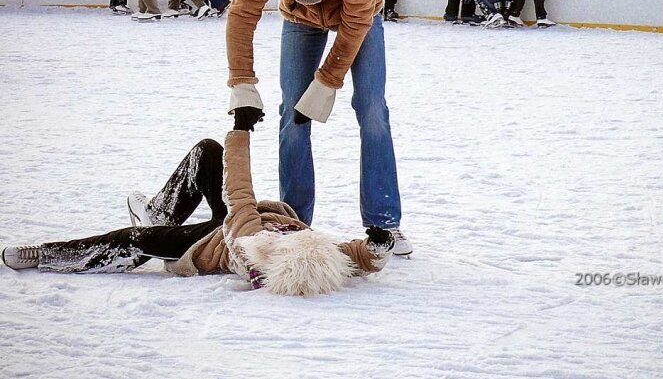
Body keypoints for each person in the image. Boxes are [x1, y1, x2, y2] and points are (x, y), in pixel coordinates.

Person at [1, 128, 396, 296]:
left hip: (207, 243)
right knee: (208, 152)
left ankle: (48, 255)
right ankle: (161, 209)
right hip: (230, 222)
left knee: (134, 241)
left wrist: (240, 129)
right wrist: (377, 246)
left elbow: (239, 190)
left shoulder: (250, 241)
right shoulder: (311, 250)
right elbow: (355, 256)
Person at [225, 0, 412, 256]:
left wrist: (327, 81)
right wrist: (241, 80)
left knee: (372, 110)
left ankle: (384, 222)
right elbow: (243, 11)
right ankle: (294, 219)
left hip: (362, 18)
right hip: (299, 21)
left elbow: (355, 24)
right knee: (293, 113)